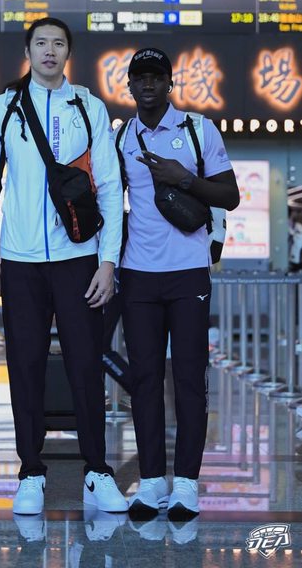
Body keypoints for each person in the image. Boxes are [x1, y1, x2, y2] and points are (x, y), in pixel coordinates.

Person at [0, 17, 127, 515]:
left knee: (86, 364)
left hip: (78, 259)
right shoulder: (3, 108)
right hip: (20, 262)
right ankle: (30, 471)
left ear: (68, 52)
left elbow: (110, 188)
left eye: (58, 43)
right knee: (24, 366)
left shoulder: (88, 106)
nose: (49, 50)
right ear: (27, 51)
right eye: (41, 43)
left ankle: (97, 471)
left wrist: (107, 262)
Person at [119, 48, 239, 518]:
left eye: (157, 76)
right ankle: (151, 482)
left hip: (189, 271)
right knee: (144, 380)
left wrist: (184, 178)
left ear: (170, 83)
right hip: (137, 274)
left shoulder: (197, 129)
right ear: (129, 86)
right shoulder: (120, 138)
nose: (148, 84)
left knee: (189, 379)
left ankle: (186, 482)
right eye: (140, 77)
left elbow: (229, 194)